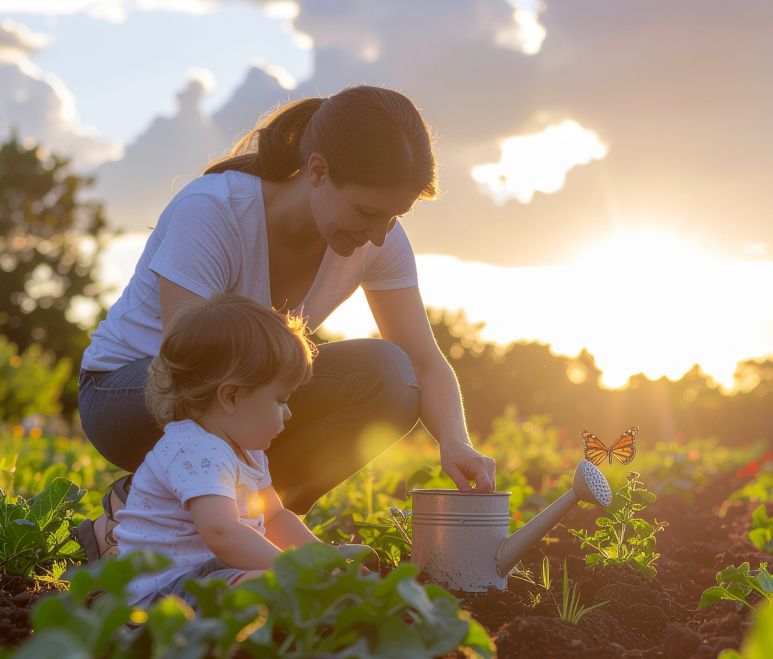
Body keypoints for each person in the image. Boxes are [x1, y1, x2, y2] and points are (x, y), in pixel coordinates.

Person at [74, 85, 496, 561]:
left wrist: (456, 442)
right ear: (317, 170)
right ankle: (145, 522)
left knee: (389, 377)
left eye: (395, 217)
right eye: (368, 212)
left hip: (237, 392)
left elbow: (425, 363)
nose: (378, 234)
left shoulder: (378, 239)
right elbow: (190, 373)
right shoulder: (215, 210)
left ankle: (246, 531)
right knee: (231, 384)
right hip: (133, 392)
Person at [114, 293, 371, 606]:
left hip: (212, 574)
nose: (288, 413)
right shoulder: (196, 449)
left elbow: (274, 515)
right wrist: (296, 570)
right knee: (266, 586)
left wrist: (320, 557)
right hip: (164, 591)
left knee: (267, 583)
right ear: (232, 397)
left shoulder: (246, 450)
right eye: (281, 400)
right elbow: (222, 533)